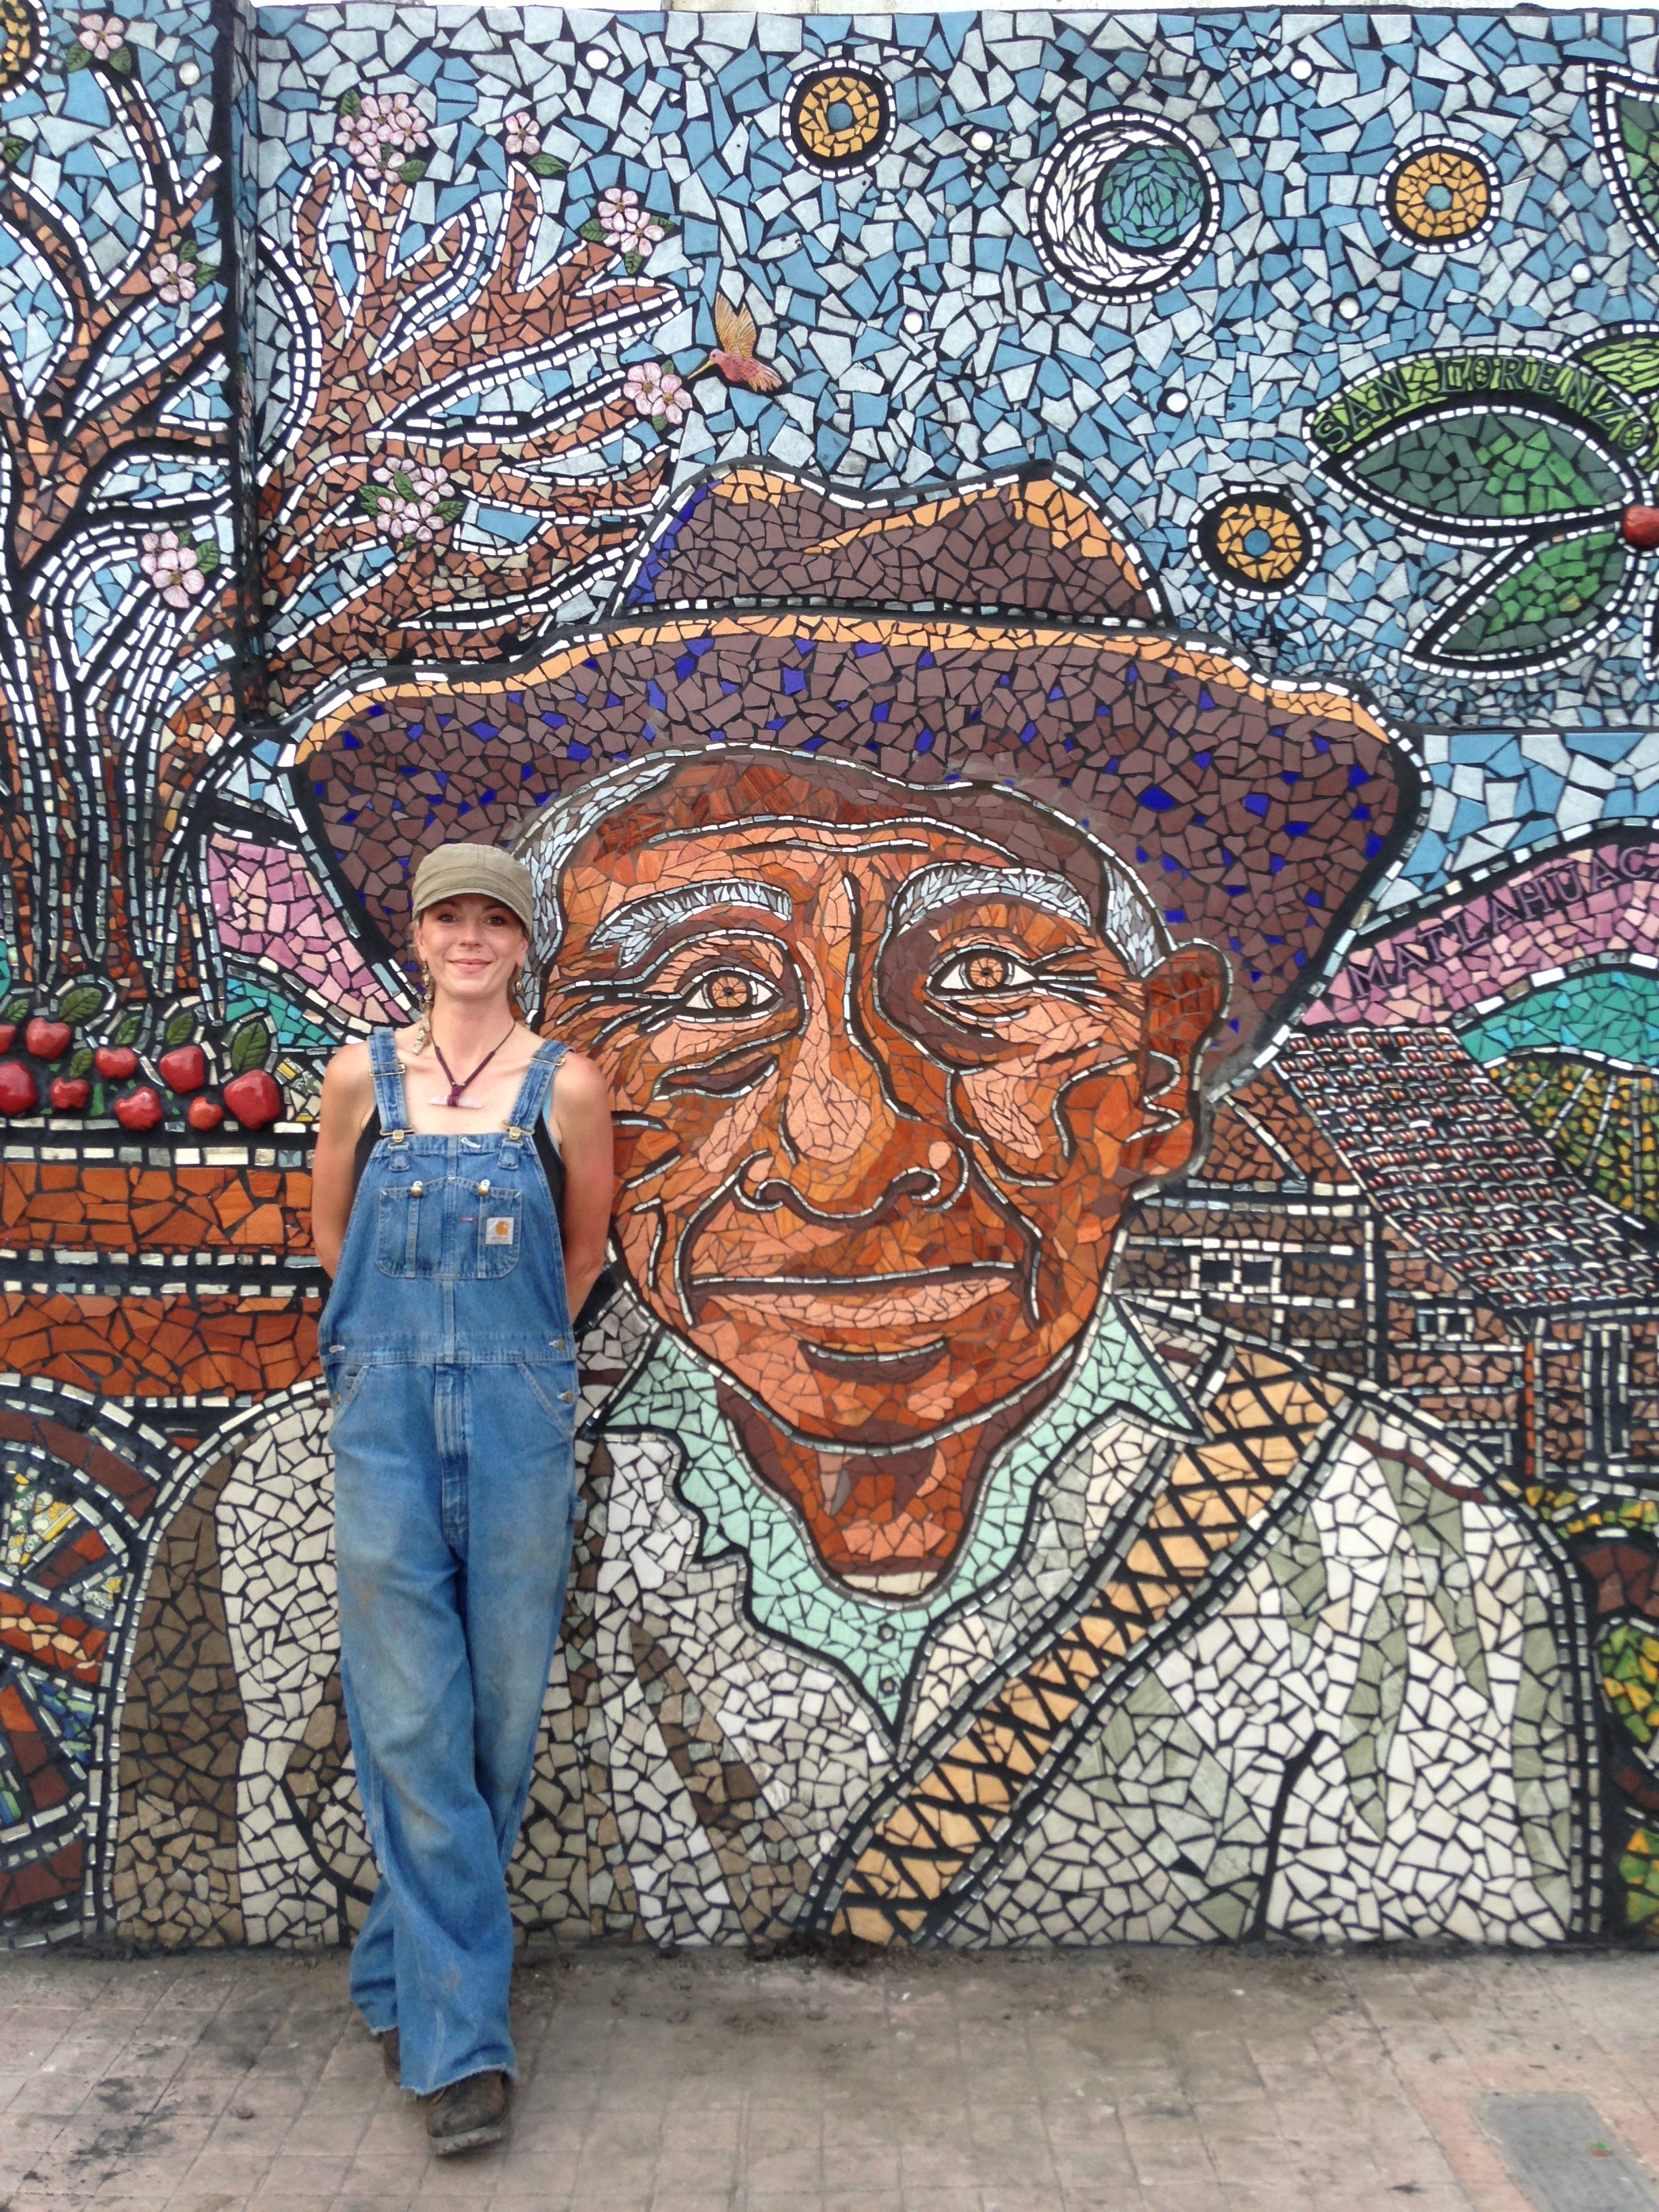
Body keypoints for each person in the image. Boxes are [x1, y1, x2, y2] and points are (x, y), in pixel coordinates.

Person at [310, 840, 612, 2153]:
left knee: (491, 1723)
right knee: (409, 1713)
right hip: (381, 1414)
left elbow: (587, 1247)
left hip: (517, 1413)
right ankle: (459, 2045)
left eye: (495, 919)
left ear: (522, 941)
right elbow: (334, 1234)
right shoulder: (358, 1077)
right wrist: (381, 1350)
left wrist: (515, 1360)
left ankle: (399, 1972)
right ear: (419, 938)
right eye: (450, 919)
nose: (471, 939)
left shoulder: (570, 1085)